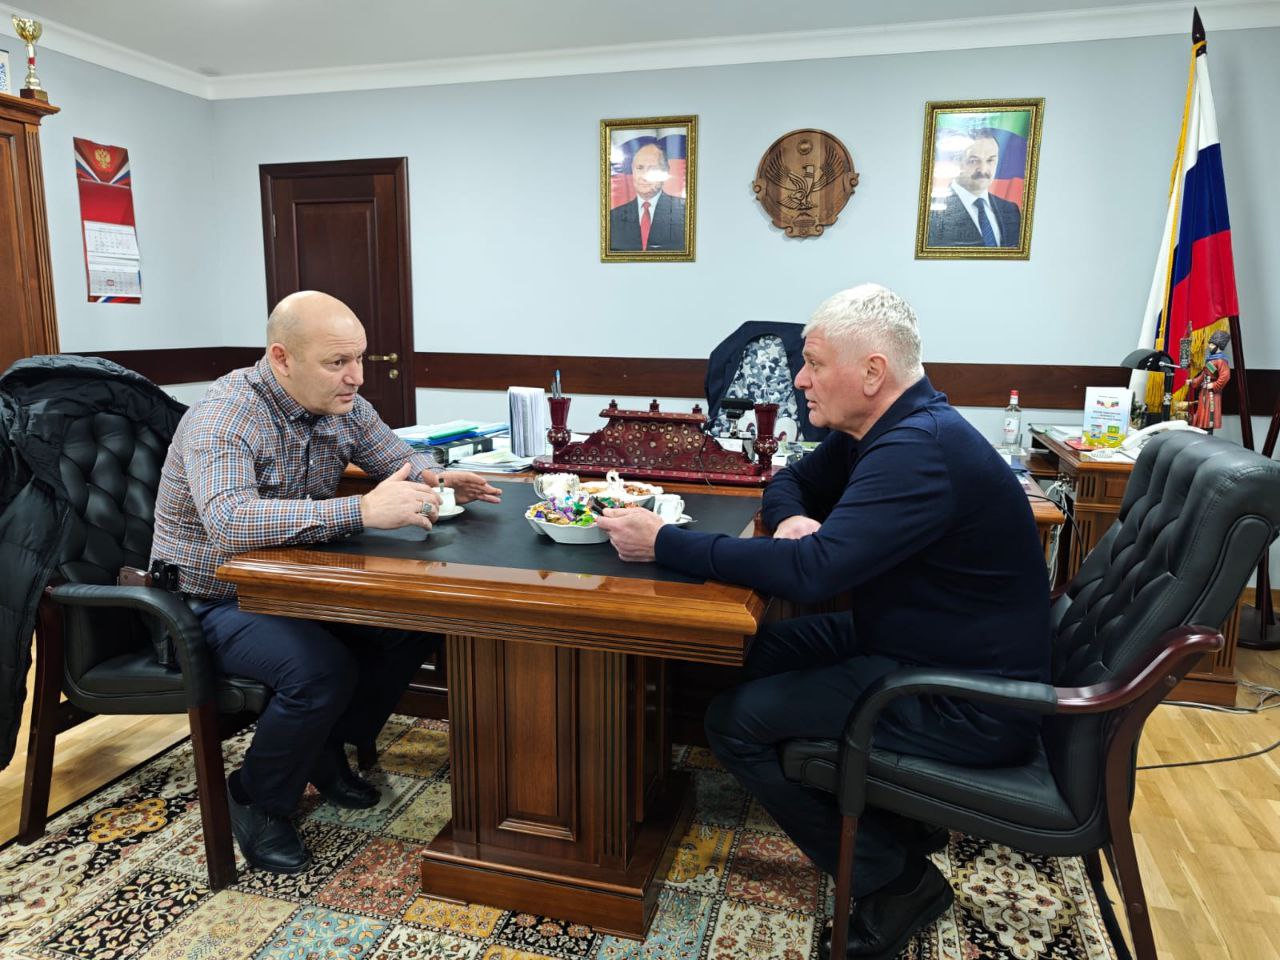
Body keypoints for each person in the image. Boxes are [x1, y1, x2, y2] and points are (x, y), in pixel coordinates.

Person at [596, 284, 1050, 959]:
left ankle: (894, 880)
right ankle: (897, 819)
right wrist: (792, 521)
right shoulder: (885, 427)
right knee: (739, 653)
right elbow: (790, 482)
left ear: (872, 371)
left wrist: (664, 541)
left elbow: (813, 575)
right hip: (911, 639)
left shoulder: (917, 448)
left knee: (734, 721)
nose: (799, 379)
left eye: (813, 363)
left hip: (963, 696)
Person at [151, 290, 502, 875]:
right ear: (282, 358)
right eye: (338, 362)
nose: (356, 377)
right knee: (320, 671)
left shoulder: (343, 404)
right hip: (208, 597)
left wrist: (439, 478)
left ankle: (321, 746)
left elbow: (395, 456)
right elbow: (230, 521)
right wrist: (360, 511)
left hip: (293, 585)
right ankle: (255, 797)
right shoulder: (225, 415)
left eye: (359, 358)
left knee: (411, 626)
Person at [926, 128, 1021, 248]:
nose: (983, 169)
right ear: (956, 162)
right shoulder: (933, 211)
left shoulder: (1011, 210)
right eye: (973, 161)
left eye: (990, 160)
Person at [608, 142, 687, 252]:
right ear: (632, 170)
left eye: (652, 169)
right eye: (639, 168)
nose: (644, 177)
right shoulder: (613, 217)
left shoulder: (685, 212)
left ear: (665, 172)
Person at [1187, 329, 1232, 433]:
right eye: (1210, 344)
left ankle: (1208, 434)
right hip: (1204, 391)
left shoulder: (1221, 361)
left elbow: (1225, 376)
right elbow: (1204, 375)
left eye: (1212, 344)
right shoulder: (1211, 359)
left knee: (1209, 417)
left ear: (1218, 346)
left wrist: (1214, 385)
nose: (1209, 346)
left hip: (1212, 393)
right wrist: (1193, 381)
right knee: (1202, 416)